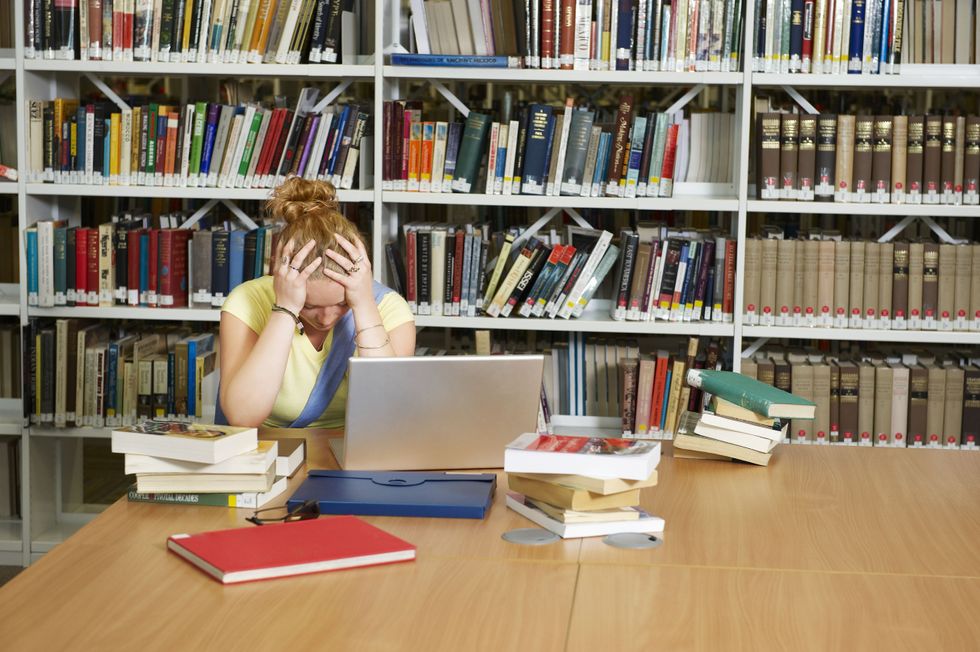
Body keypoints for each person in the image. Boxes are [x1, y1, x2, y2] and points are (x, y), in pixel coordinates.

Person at [218, 178, 415, 428]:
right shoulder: (246, 301)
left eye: (342, 304)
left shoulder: (390, 309)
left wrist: (364, 306)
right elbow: (243, 416)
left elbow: (389, 415)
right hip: (272, 453)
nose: (326, 318)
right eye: (308, 306)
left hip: (356, 453)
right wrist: (285, 309)